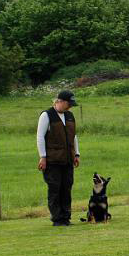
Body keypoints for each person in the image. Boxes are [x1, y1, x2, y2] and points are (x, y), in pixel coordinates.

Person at [37, 90, 80, 226]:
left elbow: (74, 136)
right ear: (60, 101)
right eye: (69, 104)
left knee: (66, 188)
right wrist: (43, 157)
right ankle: (57, 219)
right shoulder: (46, 115)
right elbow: (40, 137)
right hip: (52, 160)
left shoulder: (70, 116)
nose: (70, 107)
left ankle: (66, 217)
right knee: (55, 189)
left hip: (67, 159)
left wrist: (76, 154)